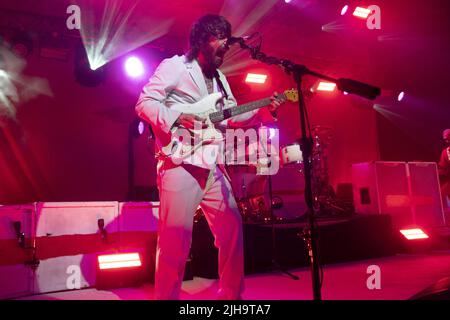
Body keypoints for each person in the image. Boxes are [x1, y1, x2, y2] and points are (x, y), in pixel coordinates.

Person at [135, 14, 282, 300]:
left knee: (232, 230)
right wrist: (178, 116)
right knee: (175, 242)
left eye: (227, 39)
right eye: (220, 37)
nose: (226, 45)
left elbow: (232, 118)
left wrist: (266, 109)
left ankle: (232, 297)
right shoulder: (176, 67)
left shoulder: (221, 81)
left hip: (212, 165)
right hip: (180, 164)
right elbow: (144, 103)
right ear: (202, 39)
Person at [438, 129, 450, 205]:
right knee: (440, 194)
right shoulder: (445, 152)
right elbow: (442, 168)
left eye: (449, 139)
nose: (447, 141)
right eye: (446, 139)